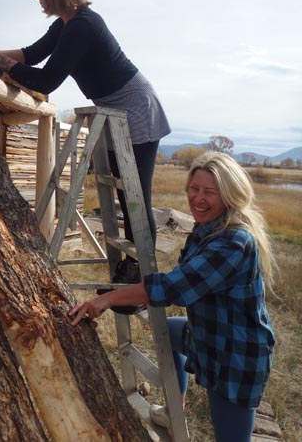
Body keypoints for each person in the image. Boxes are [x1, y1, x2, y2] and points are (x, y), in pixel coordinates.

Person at [0, 0, 171, 311]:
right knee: (126, 199)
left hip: (136, 109)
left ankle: (143, 284)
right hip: (113, 110)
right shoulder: (65, 25)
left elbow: (47, 79)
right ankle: (132, 272)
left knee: (136, 199)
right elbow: (31, 54)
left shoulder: (82, 26)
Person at [70, 152, 276, 442]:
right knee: (165, 329)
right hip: (208, 334)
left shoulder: (233, 241)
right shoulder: (207, 228)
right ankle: (173, 408)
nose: (198, 199)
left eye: (210, 192)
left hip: (235, 354)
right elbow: (185, 277)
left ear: (230, 195)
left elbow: (173, 288)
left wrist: (107, 299)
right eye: (194, 189)